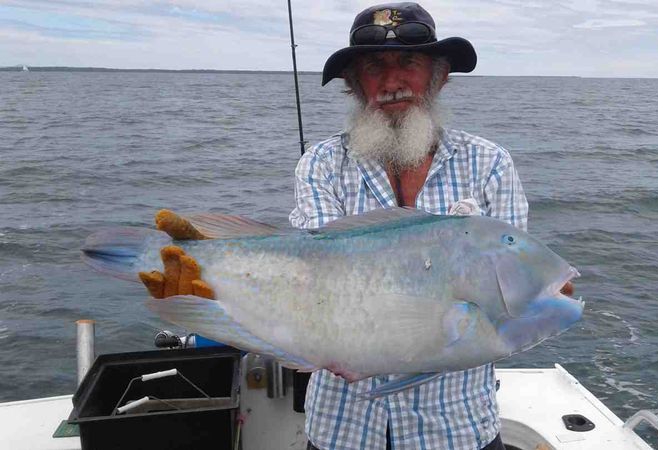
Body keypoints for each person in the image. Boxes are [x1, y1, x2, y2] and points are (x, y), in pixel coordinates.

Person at [140, 3, 570, 449]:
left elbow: (511, 295)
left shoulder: (490, 164)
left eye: (410, 62)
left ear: (440, 76)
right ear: (353, 85)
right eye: (373, 67)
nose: (392, 81)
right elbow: (308, 280)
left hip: (457, 427)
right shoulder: (322, 165)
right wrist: (217, 287)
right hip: (344, 427)